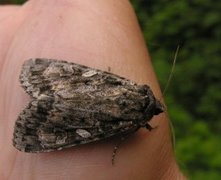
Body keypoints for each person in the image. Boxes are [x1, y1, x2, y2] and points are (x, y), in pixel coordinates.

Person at [0, 1, 186, 179]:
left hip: (65, 80)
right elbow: (123, 135)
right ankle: (35, 123)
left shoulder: (133, 89)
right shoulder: (133, 123)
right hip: (79, 120)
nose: (159, 106)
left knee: (88, 80)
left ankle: (42, 105)